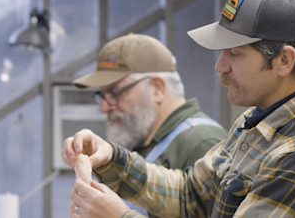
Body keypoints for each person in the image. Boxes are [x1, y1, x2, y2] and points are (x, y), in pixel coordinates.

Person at [62, 0, 295, 217]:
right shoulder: (255, 121)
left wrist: (119, 215)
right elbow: (190, 194)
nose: (220, 66)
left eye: (234, 53)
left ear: (284, 60)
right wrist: (112, 159)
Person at [72, 33, 228, 216]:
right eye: (102, 95)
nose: (104, 107)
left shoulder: (202, 143)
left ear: (157, 89)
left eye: (115, 92)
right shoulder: (144, 140)